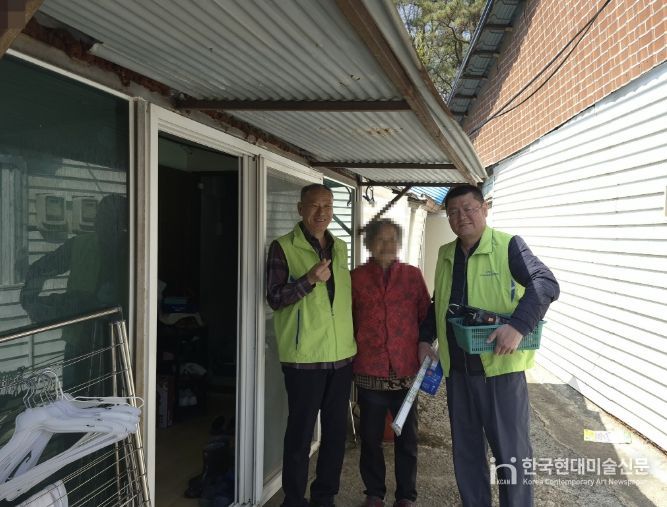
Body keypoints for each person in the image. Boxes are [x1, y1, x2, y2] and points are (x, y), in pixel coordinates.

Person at [419, 184, 559, 507]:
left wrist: (518, 326)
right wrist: (425, 339)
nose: (461, 217)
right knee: (467, 454)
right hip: (458, 373)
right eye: (453, 212)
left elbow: (546, 283)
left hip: (499, 371)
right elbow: (440, 303)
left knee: (512, 455)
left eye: (468, 209)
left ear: (484, 209)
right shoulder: (446, 253)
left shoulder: (508, 246)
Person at [266, 183, 356, 507]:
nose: (322, 212)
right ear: (300, 208)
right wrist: (308, 280)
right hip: (304, 358)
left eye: (328, 206)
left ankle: (324, 497)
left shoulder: (340, 247)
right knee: (300, 434)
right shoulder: (283, 247)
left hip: (341, 357)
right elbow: (275, 298)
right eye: (315, 205)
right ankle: (293, 499)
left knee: (335, 434)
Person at [351, 219, 431, 507]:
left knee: (407, 439)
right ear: (369, 244)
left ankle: (406, 496)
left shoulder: (412, 276)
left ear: (399, 244)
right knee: (370, 439)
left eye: (392, 239)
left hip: (406, 372)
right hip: (369, 371)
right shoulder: (356, 278)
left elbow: (426, 317)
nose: (387, 245)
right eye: (380, 239)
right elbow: (348, 320)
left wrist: (425, 346)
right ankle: (374, 493)